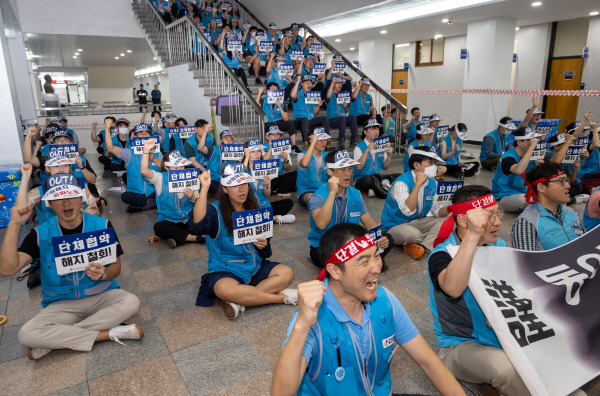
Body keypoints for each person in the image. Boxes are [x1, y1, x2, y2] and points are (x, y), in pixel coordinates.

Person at [272, 223, 465, 396]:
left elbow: (429, 363)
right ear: (335, 271)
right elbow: (280, 393)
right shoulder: (312, 319)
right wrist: (302, 325)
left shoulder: (385, 300)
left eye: (376, 256)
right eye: (364, 262)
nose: (376, 268)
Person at [0, 176, 143, 361]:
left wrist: (105, 273)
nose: (66, 202)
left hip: (101, 296)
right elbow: (7, 269)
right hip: (62, 305)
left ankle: (56, 340)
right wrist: (13, 225)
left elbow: (116, 268)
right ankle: (107, 333)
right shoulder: (40, 234)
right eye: (58, 197)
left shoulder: (102, 225)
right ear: (49, 203)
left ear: (81, 197)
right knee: (25, 334)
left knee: (131, 302)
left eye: (72, 195)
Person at [427, 184, 533, 394]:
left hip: (503, 336)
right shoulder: (441, 255)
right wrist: (473, 236)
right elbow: (453, 288)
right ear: (464, 220)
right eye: (490, 216)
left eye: (497, 214)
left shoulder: (499, 246)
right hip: (460, 346)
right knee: (504, 369)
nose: (499, 222)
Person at [188, 168, 298, 319]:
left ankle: (241, 301)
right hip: (225, 269)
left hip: (254, 266)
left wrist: (263, 245)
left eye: (244, 184)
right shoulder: (215, 211)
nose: (241, 189)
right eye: (234, 186)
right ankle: (280, 298)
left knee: (287, 273)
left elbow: (266, 246)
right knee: (225, 289)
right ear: (225, 189)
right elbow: (197, 225)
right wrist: (204, 189)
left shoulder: (254, 208)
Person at [308, 150, 392, 268]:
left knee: (388, 238)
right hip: (324, 247)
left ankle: (361, 265)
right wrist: (332, 193)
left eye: (350, 169)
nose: (348, 174)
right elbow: (321, 224)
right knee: (337, 258)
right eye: (343, 169)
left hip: (350, 244)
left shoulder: (356, 194)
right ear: (330, 171)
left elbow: (368, 222)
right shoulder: (317, 196)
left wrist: (379, 238)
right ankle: (368, 263)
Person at [382, 148, 449, 260]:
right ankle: (425, 240)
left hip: (418, 222)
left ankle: (422, 246)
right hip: (395, 225)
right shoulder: (401, 183)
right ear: (417, 165)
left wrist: (451, 207)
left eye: (435, 163)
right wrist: (417, 185)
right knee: (410, 234)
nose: (434, 167)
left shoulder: (432, 182)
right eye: (430, 163)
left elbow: (436, 210)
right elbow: (408, 211)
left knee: (448, 220)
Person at [139, 139, 206, 249]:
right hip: (169, 221)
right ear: (167, 168)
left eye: (182, 166)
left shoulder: (190, 177)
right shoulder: (160, 178)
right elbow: (144, 171)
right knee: (159, 227)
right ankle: (194, 238)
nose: (180, 170)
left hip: (188, 220)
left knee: (207, 217)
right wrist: (146, 150)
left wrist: (192, 197)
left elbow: (200, 205)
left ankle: (178, 239)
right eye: (175, 168)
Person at [511, 162, 585, 251]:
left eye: (567, 180)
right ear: (541, 187)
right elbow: (527, 262)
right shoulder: (527, 222)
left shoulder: (571, 212)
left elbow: (586, 245)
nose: (568, 186)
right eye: (562, 181)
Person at [15, 160, 99, 225]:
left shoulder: (82, 187)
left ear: (69, 167)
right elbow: (21, 208)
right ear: (47, 168)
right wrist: (25, 177)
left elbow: (94, 211)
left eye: (65, 165)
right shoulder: (41, 190)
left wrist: (79, 212)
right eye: (56, 166)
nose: (61, 170)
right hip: (51, 239)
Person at [104, 120, 161, 212]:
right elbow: (110, 148)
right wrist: (107, 129)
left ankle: (147, 204)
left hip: (153, 190)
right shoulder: (129, 152)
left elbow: (164, 168)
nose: (144, 135)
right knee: (125, 196)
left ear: (151, 135)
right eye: (141, 133)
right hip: (137, 192)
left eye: (147, 133)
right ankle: (152, 203)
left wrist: (154, 159)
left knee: (164, 192)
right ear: (135, 136)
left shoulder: (157, 151)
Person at [241, 142, 295, 224]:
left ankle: (263, 218)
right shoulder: (243, 169)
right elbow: (240, 176)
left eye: (259, 151)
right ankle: (274, 218)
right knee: (240, 215)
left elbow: (267, 195)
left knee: (288, 203)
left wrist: (266, 186)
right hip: (249, 208)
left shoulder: (264, 169)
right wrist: (247, 157)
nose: (257, 154)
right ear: (247, 153)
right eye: (253, 151)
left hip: (263, 206)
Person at [491, 127, 542, 213]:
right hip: (504, 196)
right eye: (529, 140)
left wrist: (538, 167)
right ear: (519, 142)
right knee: (528, 201)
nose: (533, 142)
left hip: (522, 192)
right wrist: (531, 147)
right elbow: (519, 170)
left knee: (546, 197)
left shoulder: (527, 156)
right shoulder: (508, 157)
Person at [353, 119, 398, 198]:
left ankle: (376, 188)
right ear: (365, 132)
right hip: (362, 178)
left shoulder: (381, 144)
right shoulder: (359, 147)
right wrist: (367, 150)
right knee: (370, 180)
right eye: (372, 129)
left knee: (398, 176)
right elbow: (359, 167)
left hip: (378, 176)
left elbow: (385, 167)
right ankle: (385, 191)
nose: (376, 131)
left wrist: (389, 155)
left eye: (377, 129)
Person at [256, 84, 300, 153]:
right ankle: (270, 148)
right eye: (272, 89)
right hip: (267, 124)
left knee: (290, 123)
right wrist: (259, 93)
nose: (274, 91)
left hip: (278, 123)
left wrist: (279, 106)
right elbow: (256, 107)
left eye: (276, 90)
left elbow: (286, 119)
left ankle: (294, 146)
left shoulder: (281, 102)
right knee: (270, 126)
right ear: (268, 91)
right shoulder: (264, 100)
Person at [544, 133, 585, 202]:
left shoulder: (564, 157)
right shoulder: (547, 153)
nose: (568, 145)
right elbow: (556, 162)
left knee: (577, 186)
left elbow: (570, 181)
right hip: (549, 186)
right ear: (556, 147)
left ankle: (567, 200)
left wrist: (575, 170)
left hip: (560, 184)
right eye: (565, 144)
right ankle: (568, 200)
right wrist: (568, 142)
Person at [196, 129, 239, 194]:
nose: (229, 141)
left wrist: (241, 161)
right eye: (226, 139)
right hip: (213, 181)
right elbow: (200, 148)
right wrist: (205, 132)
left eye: (231, 139)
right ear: (220, 140)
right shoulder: (212, 150)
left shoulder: (235, 153)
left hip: (227, 181)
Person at [291, 75, 330, 146]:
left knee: (324, 118)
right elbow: (292, 95)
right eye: (306, 82)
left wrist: (318, 106)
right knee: (305, 119)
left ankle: (328, 140)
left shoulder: (313, 95)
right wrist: (297, 82)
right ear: (302, 83)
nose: (309, 84)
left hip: (310, 120)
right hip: (299, 121)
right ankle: (306, 142)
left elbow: (315, 113)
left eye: (310, 82)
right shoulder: (298, 93)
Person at [297, 129, 330, 207]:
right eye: (320, 139)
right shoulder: (302, 155)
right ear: (311, 141)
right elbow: (304, 164)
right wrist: (312, 143)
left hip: (324, 189)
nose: (324, 142)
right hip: (307, 191)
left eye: (325, 139)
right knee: (311, 197)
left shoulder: (327, 156)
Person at [325, 76, 358, 149]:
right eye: (338, 83)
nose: (340, 85)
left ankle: (354, 139)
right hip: (332, 120)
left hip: (341, 119)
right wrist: (332, 82)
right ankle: (341, 141)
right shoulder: (331, 94)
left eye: (341, 83)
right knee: (342, 118)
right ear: (333, 85)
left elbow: (346, 111)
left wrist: (346, 106)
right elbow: (327, 96)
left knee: (352, 117)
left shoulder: (342, 96)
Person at [263, 125, 297, 194]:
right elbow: (263, 161)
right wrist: (271, 148)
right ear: (267, 137)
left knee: (297, 173)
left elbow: (287, 169)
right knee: (292, 185)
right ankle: (281, 189)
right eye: (273, 135)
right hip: (268, 178)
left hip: (280, 175)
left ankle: (277, 190)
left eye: (278, 134)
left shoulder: (284, 147)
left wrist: (285, 159)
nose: (276, 137)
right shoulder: (262, 148)